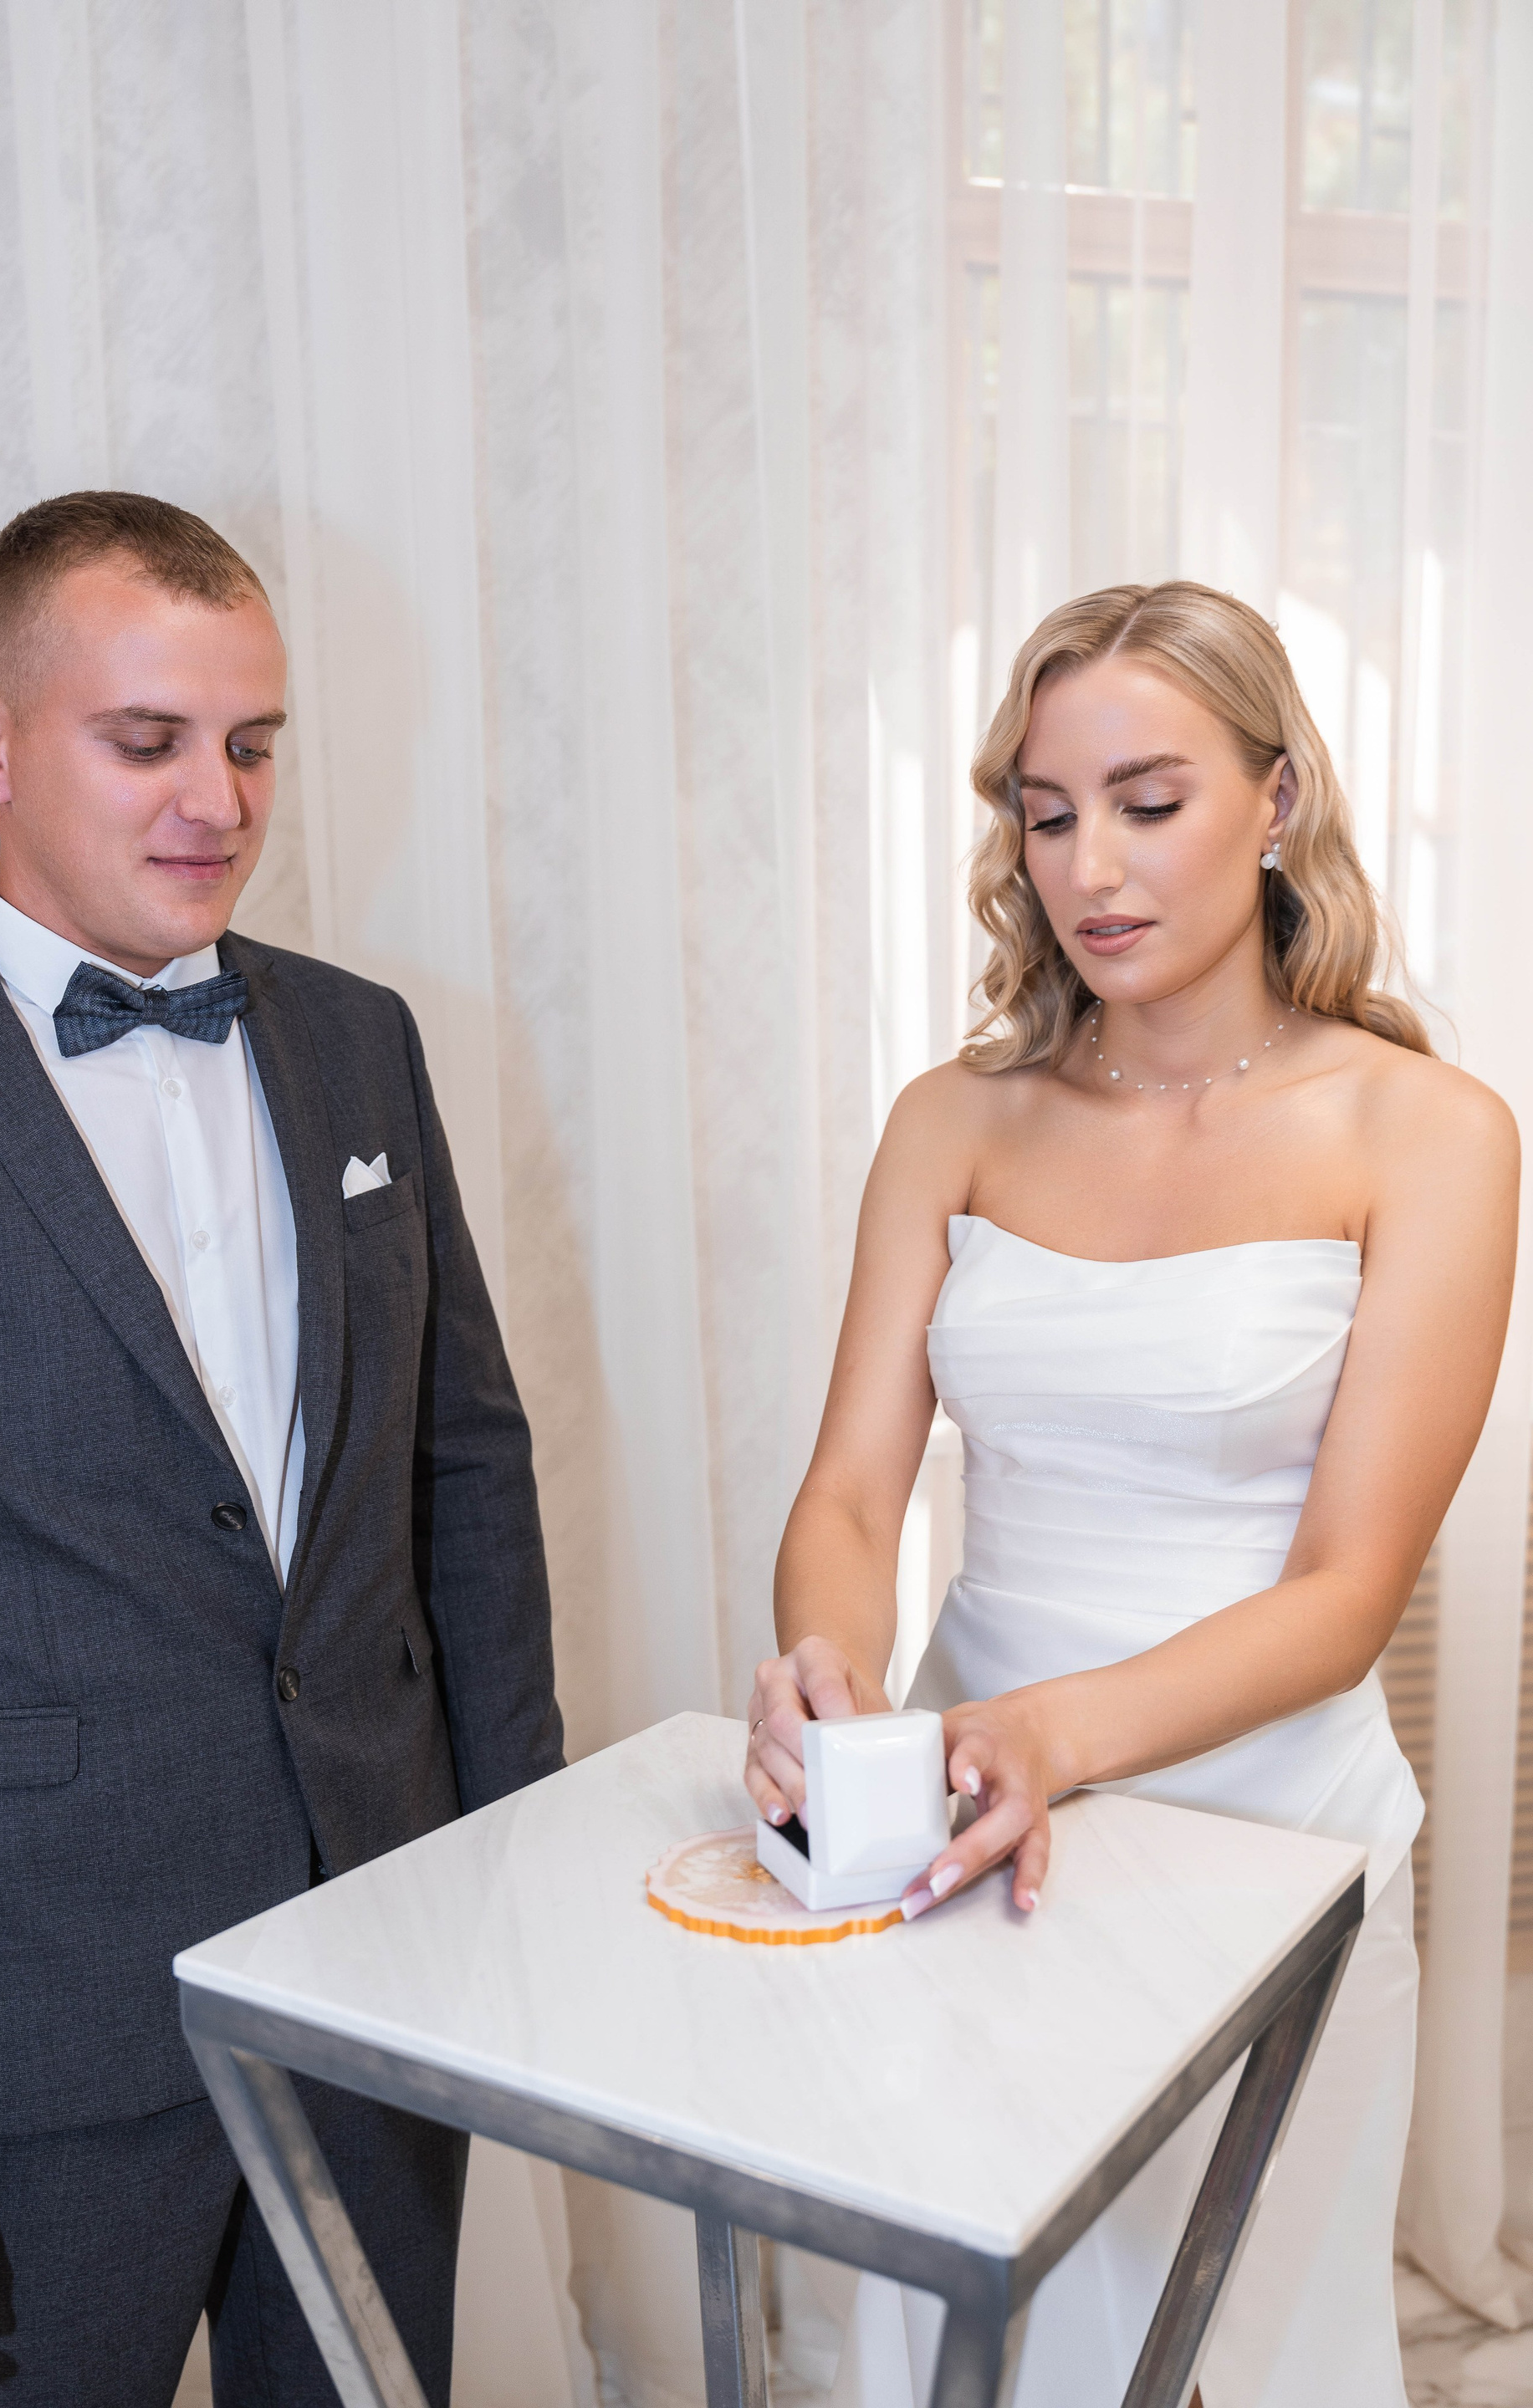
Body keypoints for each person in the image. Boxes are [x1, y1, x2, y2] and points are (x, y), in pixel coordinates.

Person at [745, 581, 1515, 2408]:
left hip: (1270, 1828)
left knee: (1237, 2347)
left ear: (1276, 798)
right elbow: (849, 1492)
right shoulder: (954, 1119)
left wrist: (1052, 1735)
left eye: (1148, 803)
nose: (1089, 867)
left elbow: (1347, 1595)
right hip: (965, 1818)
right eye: (1046, 811)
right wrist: (829, 1673)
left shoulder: (1430, 1135)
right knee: (969, 2341)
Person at [0, 492, 562, 2404]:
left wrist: (510, 1893)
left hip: (379, 1967)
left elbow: (466, 1476)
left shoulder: (362, 1041)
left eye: (253, 745)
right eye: (149, 742)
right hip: (19, 2034)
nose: (219, 801)